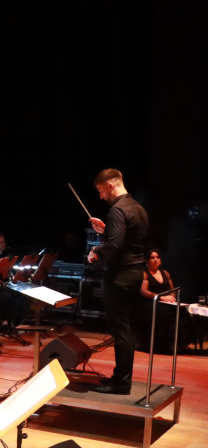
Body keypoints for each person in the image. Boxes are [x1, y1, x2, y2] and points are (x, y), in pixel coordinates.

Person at [87, 168, 149, 394]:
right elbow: (126, 241)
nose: (101, 196)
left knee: (121, 331)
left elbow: (114, 247)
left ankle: (121, 383)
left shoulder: (117, 209)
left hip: (119, 276)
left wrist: (95, 253)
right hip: (134, 273)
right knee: (126, 329)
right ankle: (119, 377)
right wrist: (106, 230)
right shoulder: (137, 208)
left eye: (101, 191)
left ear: (110, 185)